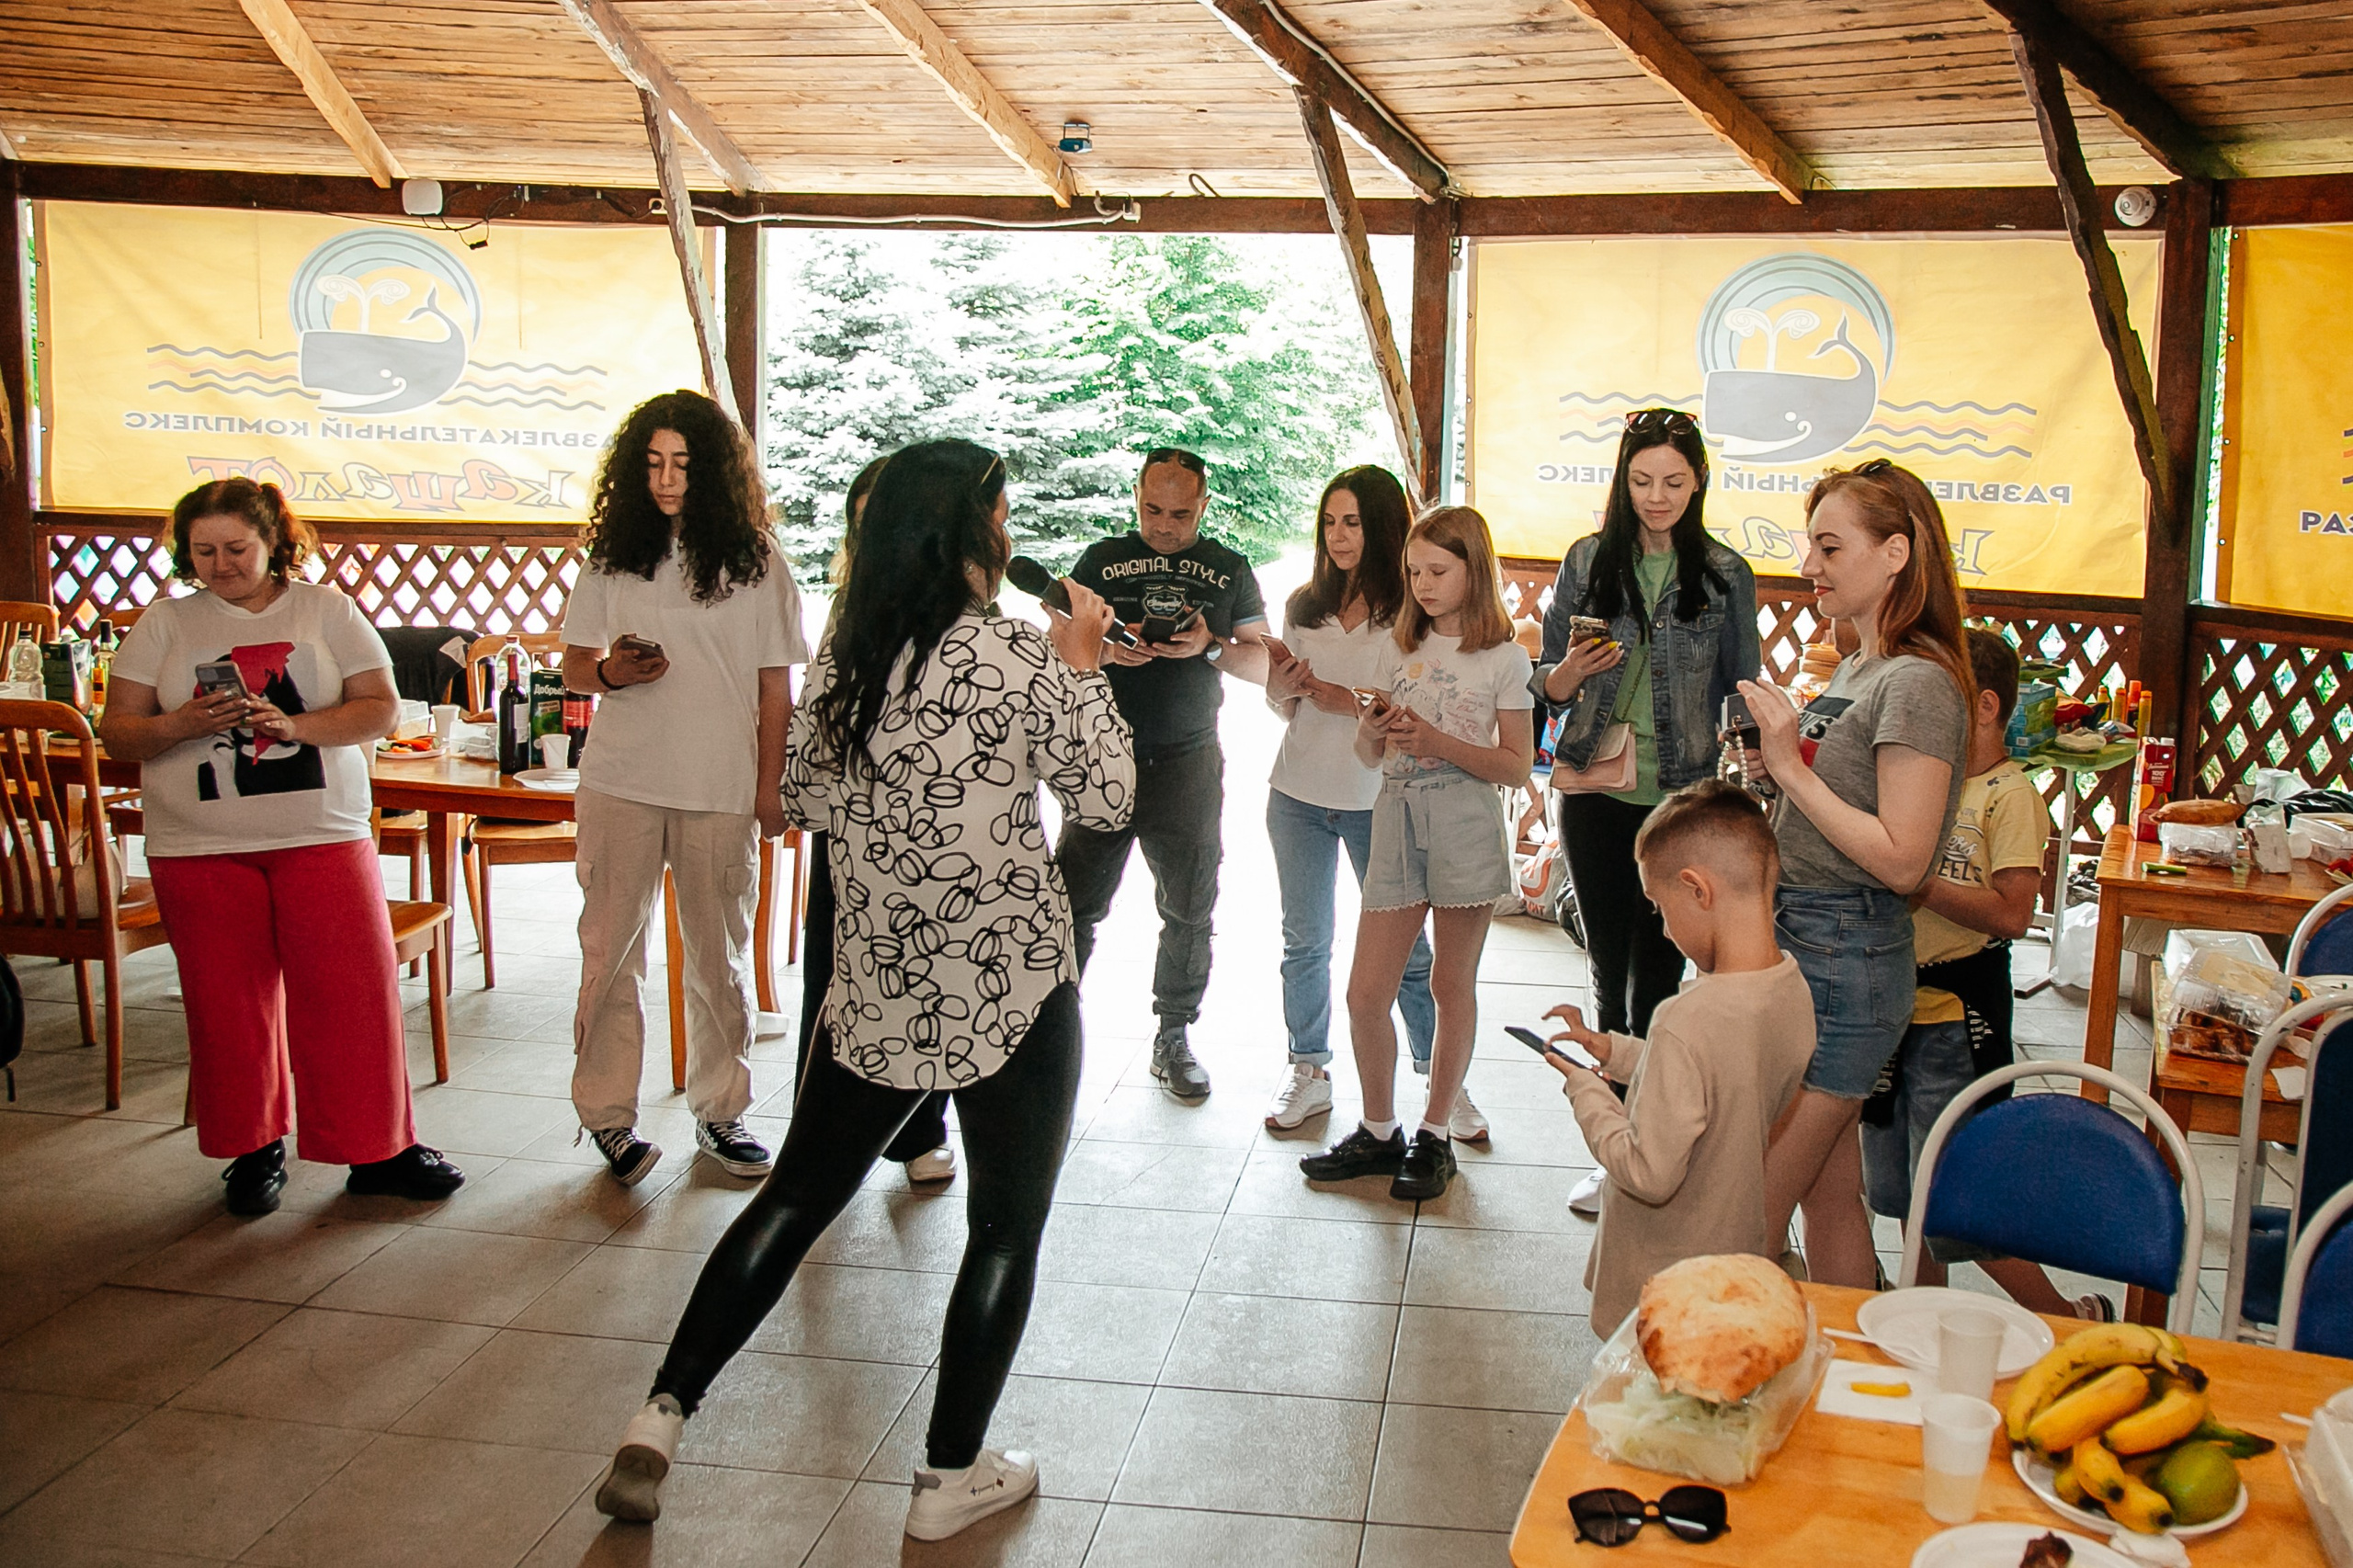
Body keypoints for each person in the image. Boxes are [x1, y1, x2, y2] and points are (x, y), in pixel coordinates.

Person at [593, 439, 1132, 1542]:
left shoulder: (847, 656)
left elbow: (801, 794)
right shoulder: (1012, 653)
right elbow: (1109, 796)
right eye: (1000, 513)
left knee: (794, 1197)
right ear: (970, 530)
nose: (1009, 532)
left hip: (879, 980)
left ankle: (663, 1411)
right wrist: (1080, 666)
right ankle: (949, 1475)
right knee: (1002, 1232)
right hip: (1009, 985)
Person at [100, 478, 464, 1214]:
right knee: (227, 1006)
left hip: (321, 834)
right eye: (204, 551)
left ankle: (377, 1149)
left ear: (273, 543)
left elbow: (379, 708)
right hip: (197, 846)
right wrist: (184, 723)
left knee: (353, 995)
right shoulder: (165, 622)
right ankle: (253, 1148)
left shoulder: (326, 609)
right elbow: (119, 732)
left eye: (237, 548)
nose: (221, 564)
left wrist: (294, 727)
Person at [560, 391, 809, 1187]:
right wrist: (611, 672)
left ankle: (721, 1110)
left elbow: (776, 686)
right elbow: (574, 666)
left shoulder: (758, 559)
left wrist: (770, 789)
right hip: (621, 781)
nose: (667, 480)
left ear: (715, 472)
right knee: (610, 953)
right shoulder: (612, 556)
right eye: (653, 464)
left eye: (683, 465)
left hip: (720, 783)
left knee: (719, 958)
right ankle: (608, 1117)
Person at [1740, 460, 1972, 1290]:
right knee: (1831, 1199)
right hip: (1811, 935)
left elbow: (1904, 859)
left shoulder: (1918, 683)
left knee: (1750, 1214)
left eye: (1830, 547)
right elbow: (1848, 808)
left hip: (1847, 951)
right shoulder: (1859, 667)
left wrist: (1789, 768)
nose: (1809, 564)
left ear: (1896, 553)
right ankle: (1847, 1362)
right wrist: (1780, 775)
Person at [1533, 407, 1758, 1218]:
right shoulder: (1588, 560)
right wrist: (1568, 672)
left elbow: (1740, 686)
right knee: (1605, 962)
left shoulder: (1725, 573)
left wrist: (1756, 769)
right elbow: (1545, 683)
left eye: (1673, 481)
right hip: (1596, 791)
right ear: (1622, 482)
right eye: (1641, 481)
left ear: (1698, 483)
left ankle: (1658, 1142)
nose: (1657, 497)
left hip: (1681, 798)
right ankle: (1617, 1148)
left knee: (1662, 975)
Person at [1860, 628, 2112, 1320]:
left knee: (1955, 1198)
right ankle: (1921, 1316)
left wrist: (1917, 882)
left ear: (1984, 706)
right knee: (1903, 1193)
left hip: (1957, 1019)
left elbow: (2012, 913)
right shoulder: (1923, 784)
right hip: (1897, 1008)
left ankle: (2065, 1319)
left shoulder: (2010, 796)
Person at [1300, 506, 1534, 1202]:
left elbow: (1516, 766)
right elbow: (1368, 751)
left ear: (1474, 571)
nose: (1423, 585)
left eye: (1437, 571)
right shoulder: (1397, 648)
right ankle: (1379, 1130)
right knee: (1365, 993)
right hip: (1396, 818)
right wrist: (1374, 730)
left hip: (1465, 822)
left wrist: (1437, 742)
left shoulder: (1504, 657)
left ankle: (1434, 1135)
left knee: (1449, 985)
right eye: (1413, 572)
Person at [1539, 781, 1815, 1335]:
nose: (1664, 928)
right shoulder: (1789, 988)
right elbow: (1721, 1078)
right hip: (1733, 1250)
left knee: (1649, 1388)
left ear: (1697, 889)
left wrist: (1589, 1094)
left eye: (1661, 907)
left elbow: (1649, 1172)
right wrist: (1616, 1051)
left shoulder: (1684, 1019)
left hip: (1664, 1273)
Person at [1056, 449, 1272, 1101]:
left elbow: (1266, 664)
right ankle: (1047, 1032)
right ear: (1136, 496)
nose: (1165, 526)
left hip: (1187, 760)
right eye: (1153, 510)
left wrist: (1209, 646)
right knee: (1072, 906)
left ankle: (1173, 1035)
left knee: (1189, 908)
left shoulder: (1230, 569)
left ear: (1204, 504)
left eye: (1181, 514)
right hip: (1103, 758)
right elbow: (1055, 648)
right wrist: (1103, 651)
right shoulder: (1100, 561)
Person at [1260, 467, 1447, 1134]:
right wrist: (1282, 687)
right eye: (1330, 523)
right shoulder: (1303, 605)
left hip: (1381, 800)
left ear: (1384, 527)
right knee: (1305, 941)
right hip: (1296, 795)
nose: (1338, 537)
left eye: (1353, 523)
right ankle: (1307, 1069)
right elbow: (1282, 707)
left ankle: (1439, 1078)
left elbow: (1422, 707)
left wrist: (1347, 699)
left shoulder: (1414, 611)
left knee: (1409, 953)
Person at [795, 455, 955, 1184]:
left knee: (923, 974)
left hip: (928, 831)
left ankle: (919, 1132)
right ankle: (817, 1134)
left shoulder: (957, 615)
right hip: (847, 825)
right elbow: (816, 724)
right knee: (833, 975)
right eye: (859, 521)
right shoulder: (844, 607)